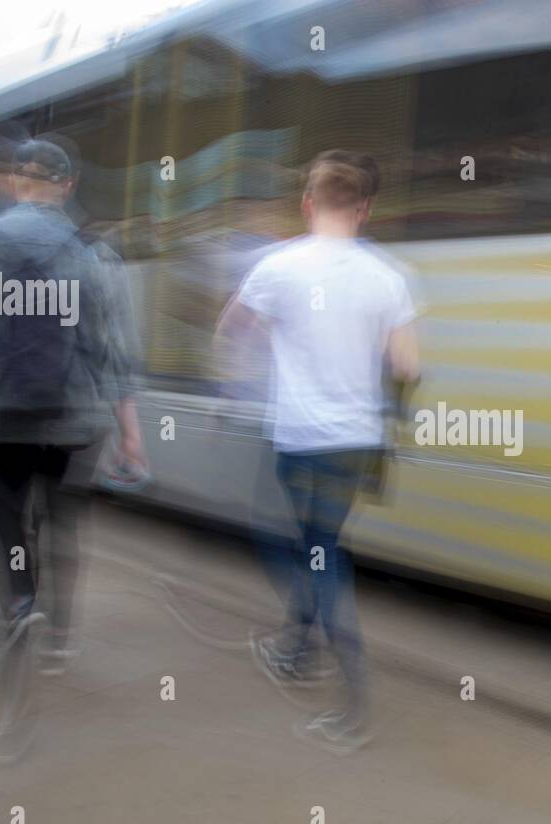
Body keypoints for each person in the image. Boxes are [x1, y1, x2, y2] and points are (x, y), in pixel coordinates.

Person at [0, 138, 146, 763]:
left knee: (2, 523)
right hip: (73, 421)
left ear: (18, 181)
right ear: (68, 182)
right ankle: (57, 633)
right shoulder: (94, 254)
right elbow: (115, 351)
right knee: (61, 519)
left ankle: (19, 604)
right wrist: (130, 430)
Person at [219, 151, 419, 753]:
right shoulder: (389, 277)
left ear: (308, 204)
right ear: (363, 209)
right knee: (321, 546)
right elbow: (409, 364)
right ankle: (295, 650)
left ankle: (352, 695)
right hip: (358, 444)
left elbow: (231, 329)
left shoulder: (279, 267)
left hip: (303, 440)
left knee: (303, 551)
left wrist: (237, 383)